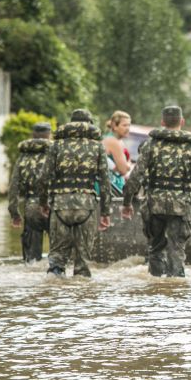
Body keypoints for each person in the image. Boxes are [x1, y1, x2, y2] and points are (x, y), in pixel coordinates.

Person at [121, 105, 191, 277]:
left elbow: (135, 176)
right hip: (179, 206)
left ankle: (155, 289)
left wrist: (126, 203)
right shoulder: (190, 147)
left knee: (155, 248)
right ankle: (176, 289)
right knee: (176, 250)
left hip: (154, 205)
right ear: (182, 122)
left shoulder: (150, 145)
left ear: (162, 122)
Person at [40, 109, 111, 277]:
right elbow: (104, 181)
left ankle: (55, 290)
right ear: (90, 124)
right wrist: (106, 212)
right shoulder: (97, 147)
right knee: (83, 262)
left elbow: (43, 178)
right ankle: (80, 296)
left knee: (57, 258)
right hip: (86, 206)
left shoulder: (56, 145)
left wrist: (44, 203)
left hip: (60, 205)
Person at [8, 121, 53, 263]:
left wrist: (14, 213)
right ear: (49, 135)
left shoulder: (23, 157)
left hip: (32, 206)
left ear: (33, 135)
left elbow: (13, 187)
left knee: (31, 261)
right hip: (55, 205)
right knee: (59, 257)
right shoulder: (56, 154)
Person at [102, 110, 132, 196]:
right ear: (114, 126)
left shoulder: (118, 141)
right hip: (113, 188)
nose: (128, 128)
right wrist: (129, 166)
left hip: (113, 187)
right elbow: (123, 170)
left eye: (129, 125)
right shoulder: (113, 142)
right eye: (124, 125)